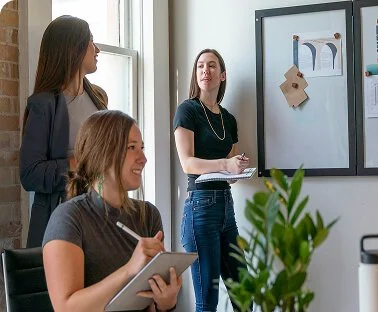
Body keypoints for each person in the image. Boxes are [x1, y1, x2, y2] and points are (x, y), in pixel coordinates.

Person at [43, 110, 180, 312]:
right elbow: (66, 308)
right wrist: (129, 271)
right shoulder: (68, 218)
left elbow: (150, 304)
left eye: (142, 148)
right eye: (132, 147)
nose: (143, 158)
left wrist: (165, 302)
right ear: (102, 154)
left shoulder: (149, 215)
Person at [20, 15, 108, 248]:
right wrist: (79, 162)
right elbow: (30, 174)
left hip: (100, 216)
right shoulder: (43, 105)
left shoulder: (99, 99)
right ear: (73, 48)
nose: (96, 48)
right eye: (90, 40)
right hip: (62, 221)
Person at [173, 48, 248, 311]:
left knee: (244, 296)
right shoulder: (187, 110)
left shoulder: (229, 119)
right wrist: (225, 164)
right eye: (201, 66)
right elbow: (188, 164)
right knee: (208, 303)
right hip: (201, 209)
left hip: (226, 207)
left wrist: (235, 169)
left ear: (223, 75)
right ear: (196, 75)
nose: (206, 71)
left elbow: (228, 172)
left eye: (212, 66)